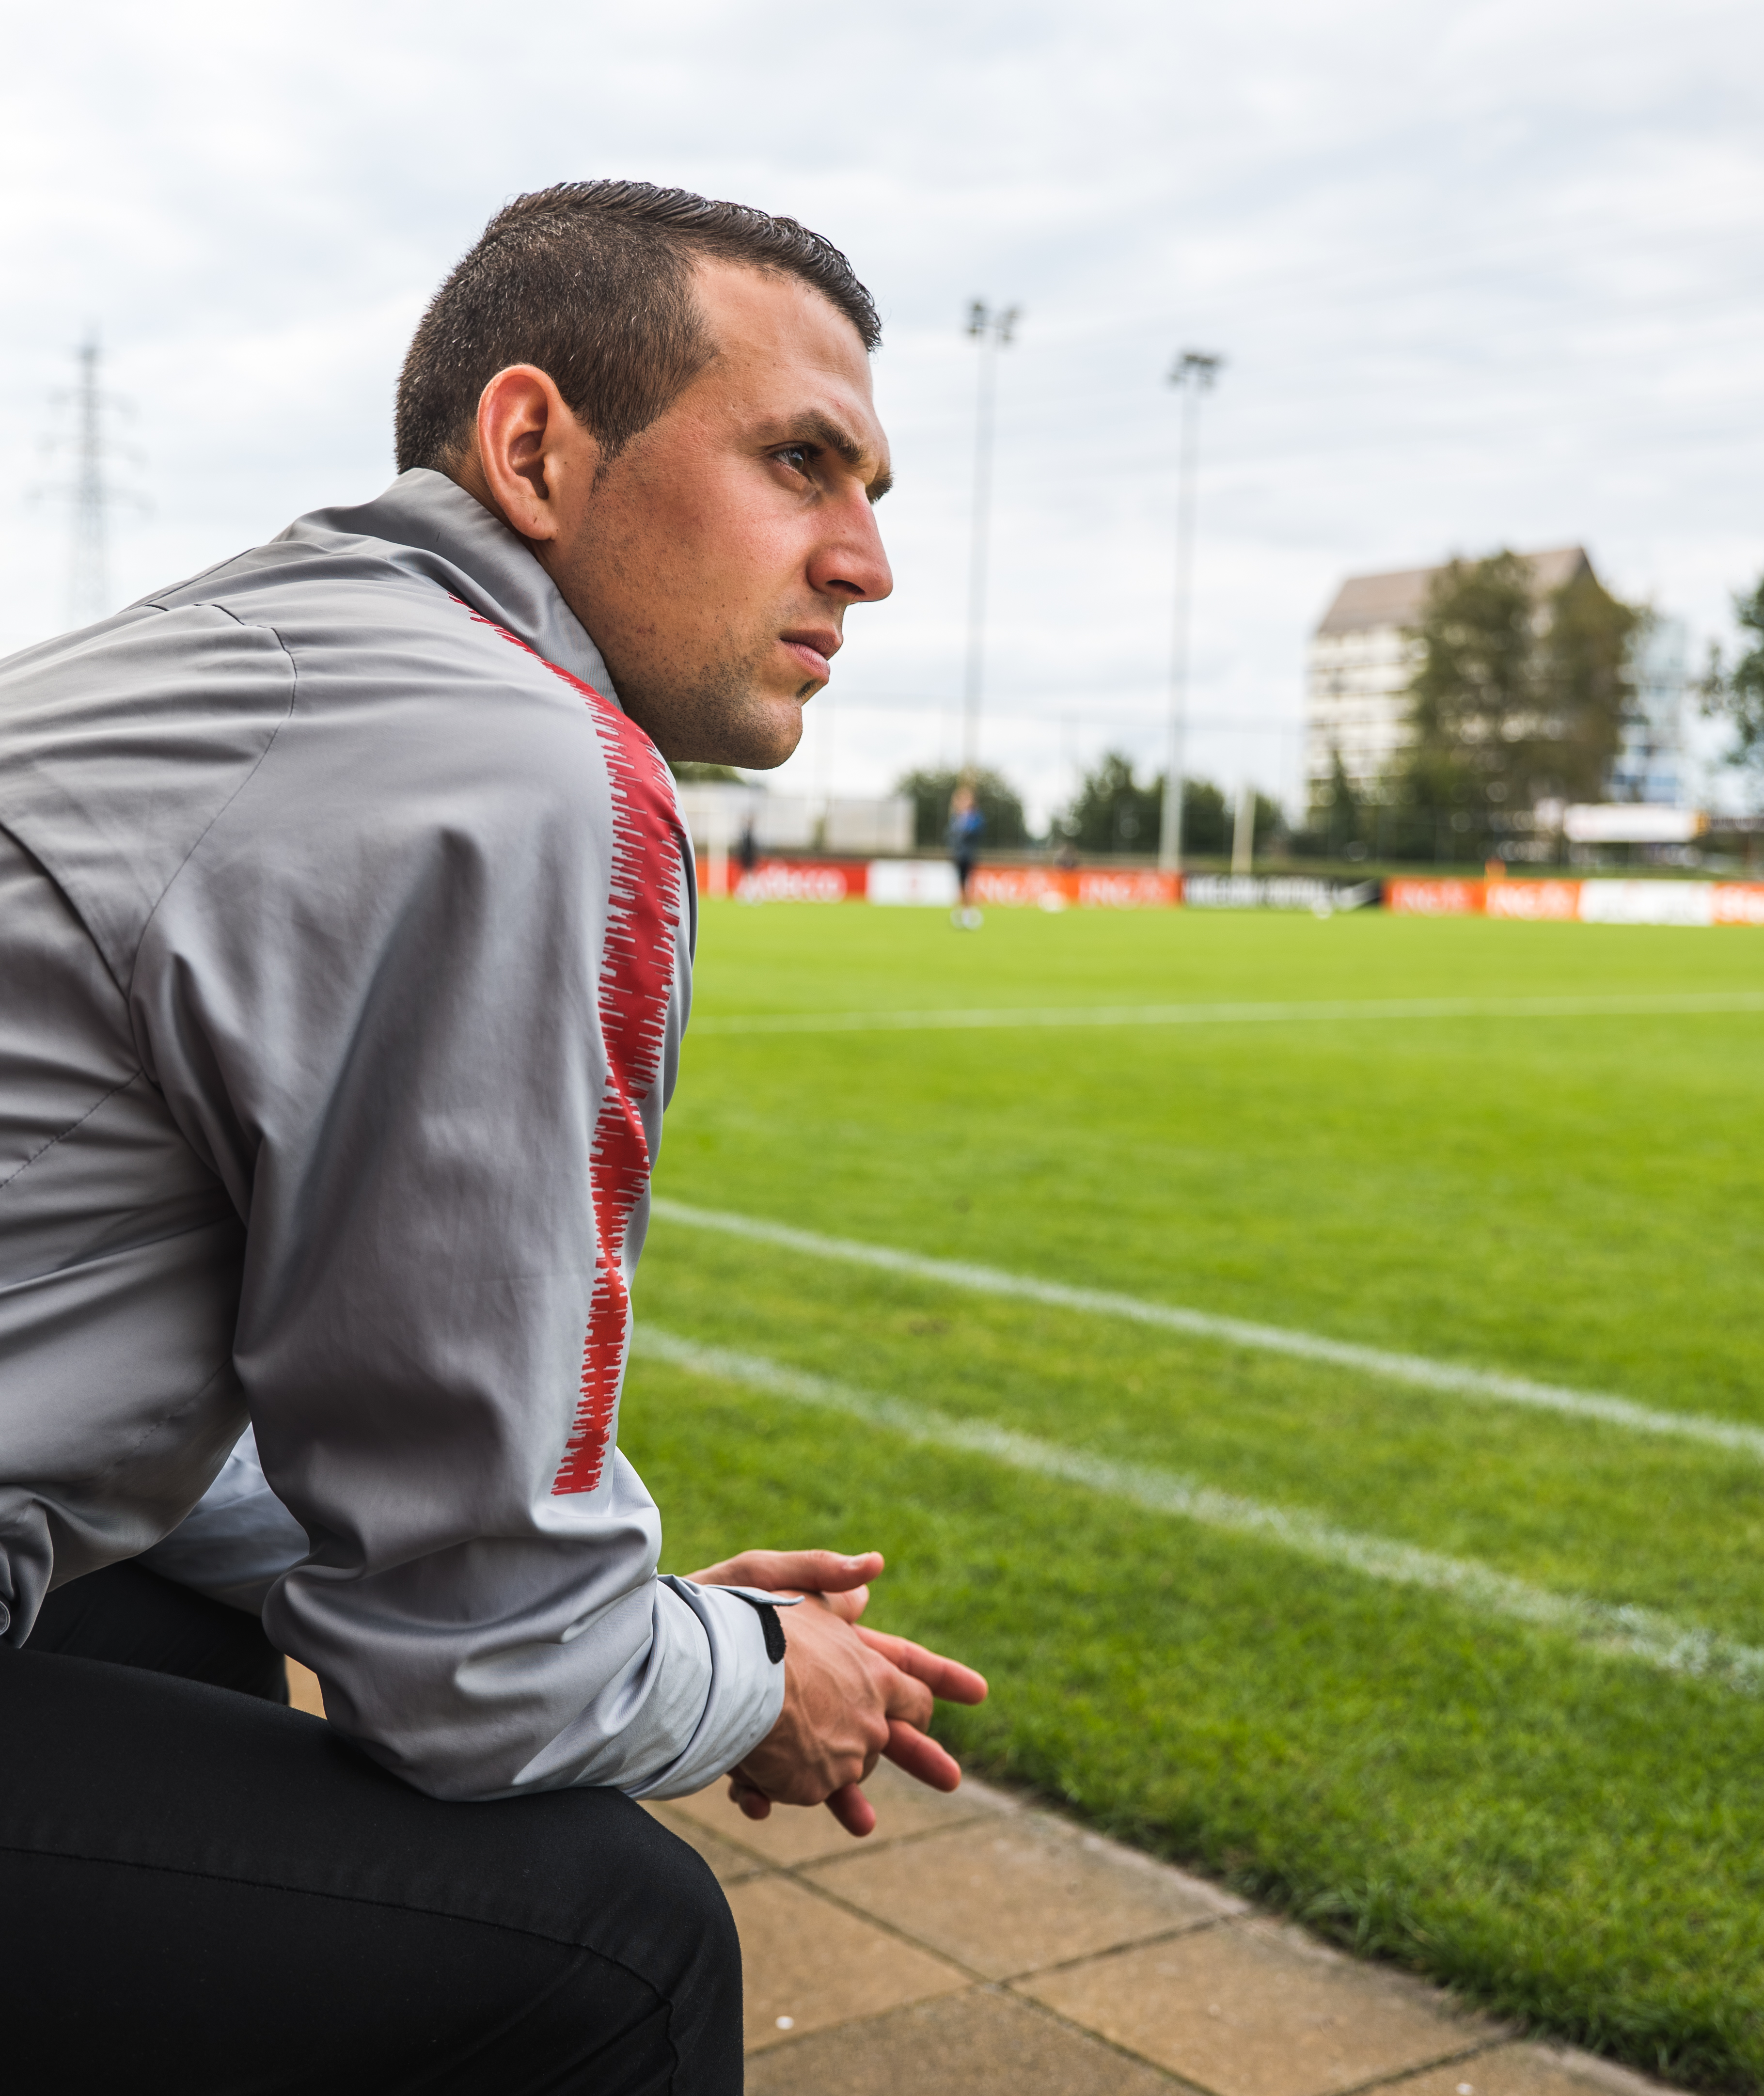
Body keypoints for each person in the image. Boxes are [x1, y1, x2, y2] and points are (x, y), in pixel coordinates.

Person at [0, 181, 986, 2094]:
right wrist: (753, 1677)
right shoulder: (512, 755)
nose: (864, 561)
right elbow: (479, 1668)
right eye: (802, 463)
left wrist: (655, 1618)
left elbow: (147, 1435)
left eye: (874, 489)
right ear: (535, 446)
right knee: (609, 1941)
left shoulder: (243, 653)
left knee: (175, 1638)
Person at [947, 777, 985, 928]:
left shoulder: (975, 817)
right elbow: (951, 836)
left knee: (968, 885)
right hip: (958, 855)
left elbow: (974, 832)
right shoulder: (956, 818)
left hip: (968, 856)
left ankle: (969, 913)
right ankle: (963, 911)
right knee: (960, 885)